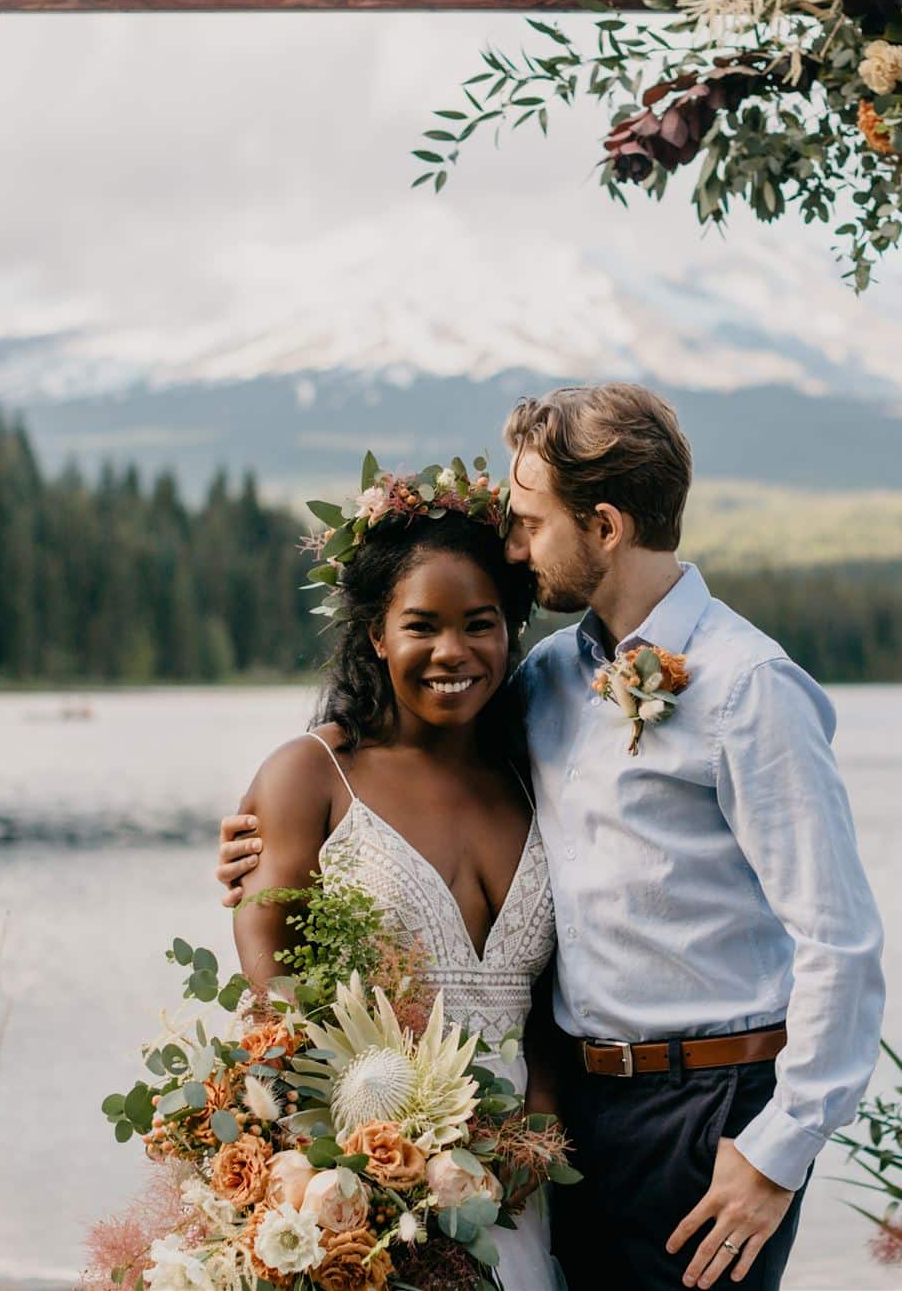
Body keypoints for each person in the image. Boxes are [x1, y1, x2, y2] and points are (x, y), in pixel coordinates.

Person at [221, 384, 886, 1290]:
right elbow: (410, 743)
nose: (514, 547)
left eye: (530, 523)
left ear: (605, 525)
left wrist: (779, 1151)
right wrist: (288, 792)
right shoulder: (544, 680)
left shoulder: (748, 688)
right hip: (570, 1112)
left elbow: (839, 939)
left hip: (709, 1109)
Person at [229, 472, 563, 1289]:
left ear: (510, 633)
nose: (453, 651)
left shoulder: (538, 776)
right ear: (377, 634)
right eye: (423, 626)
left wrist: (533, 1138)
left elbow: (557, 996)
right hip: (366, 1187)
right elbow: (272, 975)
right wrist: (372, 1162)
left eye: (480, 624)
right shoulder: (312, 777)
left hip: (519, 1189)